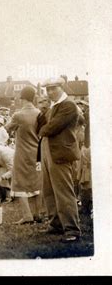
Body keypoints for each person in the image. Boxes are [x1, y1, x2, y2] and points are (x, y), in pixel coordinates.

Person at [38, 77, 81, 242]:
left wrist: (43, 129)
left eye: (53, 88)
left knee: (64, 192)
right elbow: (42, 125)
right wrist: (43, 128)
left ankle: (72, 230)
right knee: (48, 190)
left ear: (61, 87)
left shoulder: (68, 105)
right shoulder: (54, 106)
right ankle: (56, 224)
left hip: (60, 153)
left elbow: (51, 127)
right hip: (49, 149)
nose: (49, 92)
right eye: (47, 89)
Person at [6, 86, 43, 224]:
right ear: (33, 98)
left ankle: (27, 215)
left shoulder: (18, 115)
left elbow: (7, 128)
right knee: (37, 181)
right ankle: (38, 214)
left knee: (19, 182)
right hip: (38, 152)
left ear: (21, 98)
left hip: (22, 153)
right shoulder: (39, 113)